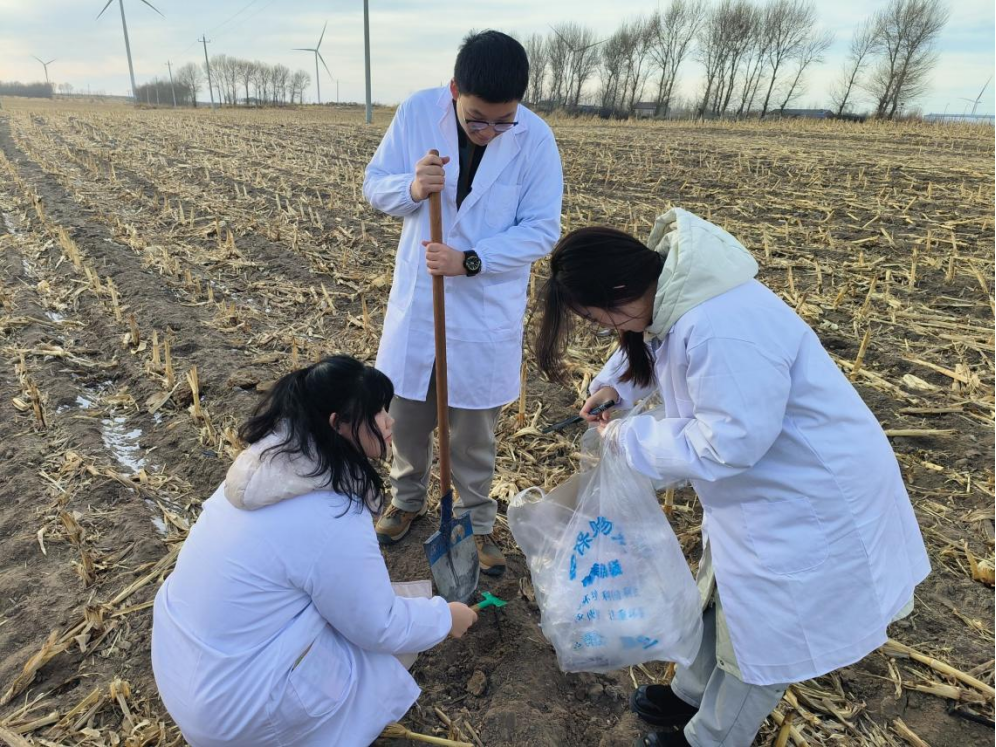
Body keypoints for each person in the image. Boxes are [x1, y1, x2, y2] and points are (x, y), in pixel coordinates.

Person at [534, 208, 930, 747]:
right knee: (719, 595)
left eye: (604, 319)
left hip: (807, 495)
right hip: (758, 492)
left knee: (763, 633)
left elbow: (729, 441)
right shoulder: (676, 294)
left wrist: (627, 438)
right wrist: (615, 389)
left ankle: (712, 737)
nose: (612, 330)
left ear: (622, 288)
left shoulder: (722, 325)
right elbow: (657, 348)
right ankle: (692, 691)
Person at [151, 356, 478, 747]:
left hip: (183, 670)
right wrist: (445, 617)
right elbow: (378, 625)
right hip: (237, 713)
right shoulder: (332, 513)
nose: (390, 421)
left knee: (346, 601)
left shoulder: (268, 471)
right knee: (379, 655)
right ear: (337, 424)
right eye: (377, 412)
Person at [363, 30, 564, 576]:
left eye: (503, 121)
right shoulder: (416, 113)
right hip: (420, 304)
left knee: (474, 433)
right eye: (477, 120)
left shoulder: (536, 139)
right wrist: (411, 188)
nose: (489, 132)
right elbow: (374, 185)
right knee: (406, 417)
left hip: (483, 307)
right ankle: (407, 500)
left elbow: (542, 228)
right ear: (454, 90)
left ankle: (475, 522)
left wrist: (470, 260)